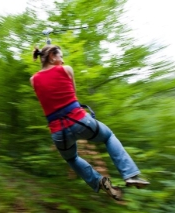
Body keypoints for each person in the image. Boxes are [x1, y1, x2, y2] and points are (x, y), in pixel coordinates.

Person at [30, 45, 150, 201]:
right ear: (52, 56)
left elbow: (47, 90)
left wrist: (49, 64)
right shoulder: (66, 70)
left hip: (59, 133)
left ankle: (98, 180)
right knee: (107, 136)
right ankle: (130, 174)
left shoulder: (33, 80)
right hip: (80, 121)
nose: (63, 59)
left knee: (71, 158)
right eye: (61, 56)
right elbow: (73, 94)